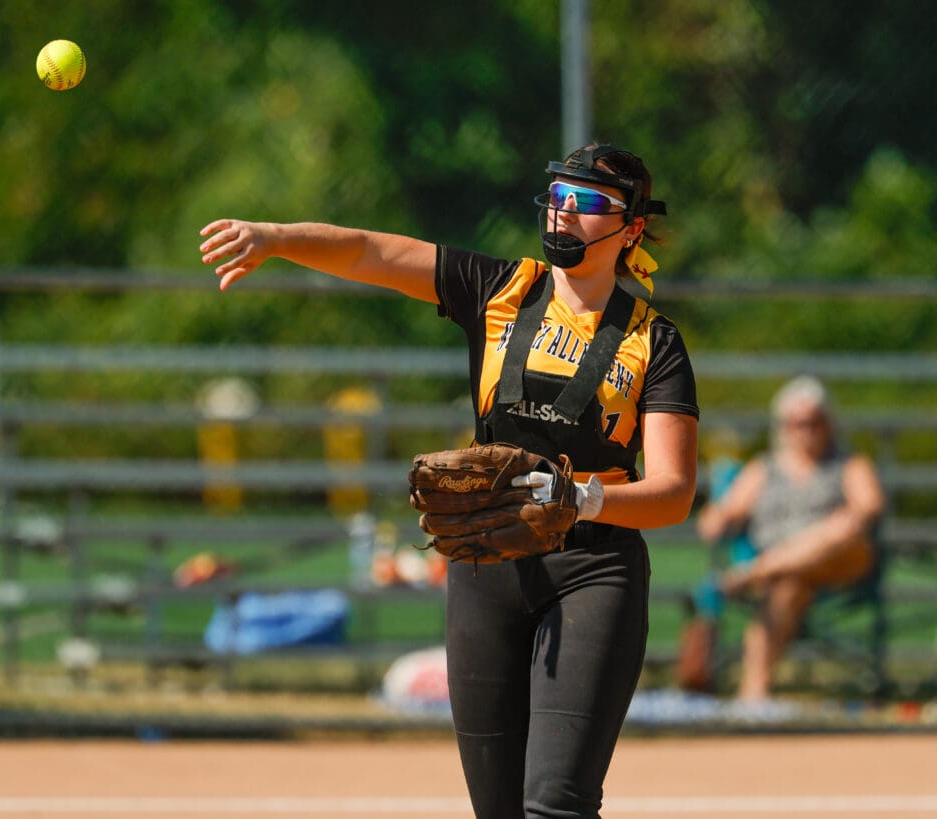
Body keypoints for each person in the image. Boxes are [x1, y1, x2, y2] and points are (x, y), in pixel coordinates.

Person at [199, 143, 699, 818]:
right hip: (486, 561)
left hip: (592, 566)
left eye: (587, 203)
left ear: (630, 228)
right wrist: (277, 238)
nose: (565, 214)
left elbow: (673, 492)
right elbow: (369, 252)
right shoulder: (501, 289)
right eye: (558, 197)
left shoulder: (654, 342)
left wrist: (583, 495)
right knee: (498, 811)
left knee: (555, 803)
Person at [694, 375, 886, 702]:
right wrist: (718, 514)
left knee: (841, 527)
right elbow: (719, 518)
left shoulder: (850, 464)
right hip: (786, 577)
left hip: (840, 563)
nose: (806, 430)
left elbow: (869, 509)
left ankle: (754, 573)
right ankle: (753, 697)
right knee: (789, 583)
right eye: (797, 423)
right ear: (783, 426)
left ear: (829, 423)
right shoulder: (763, 468)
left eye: (815, 421)